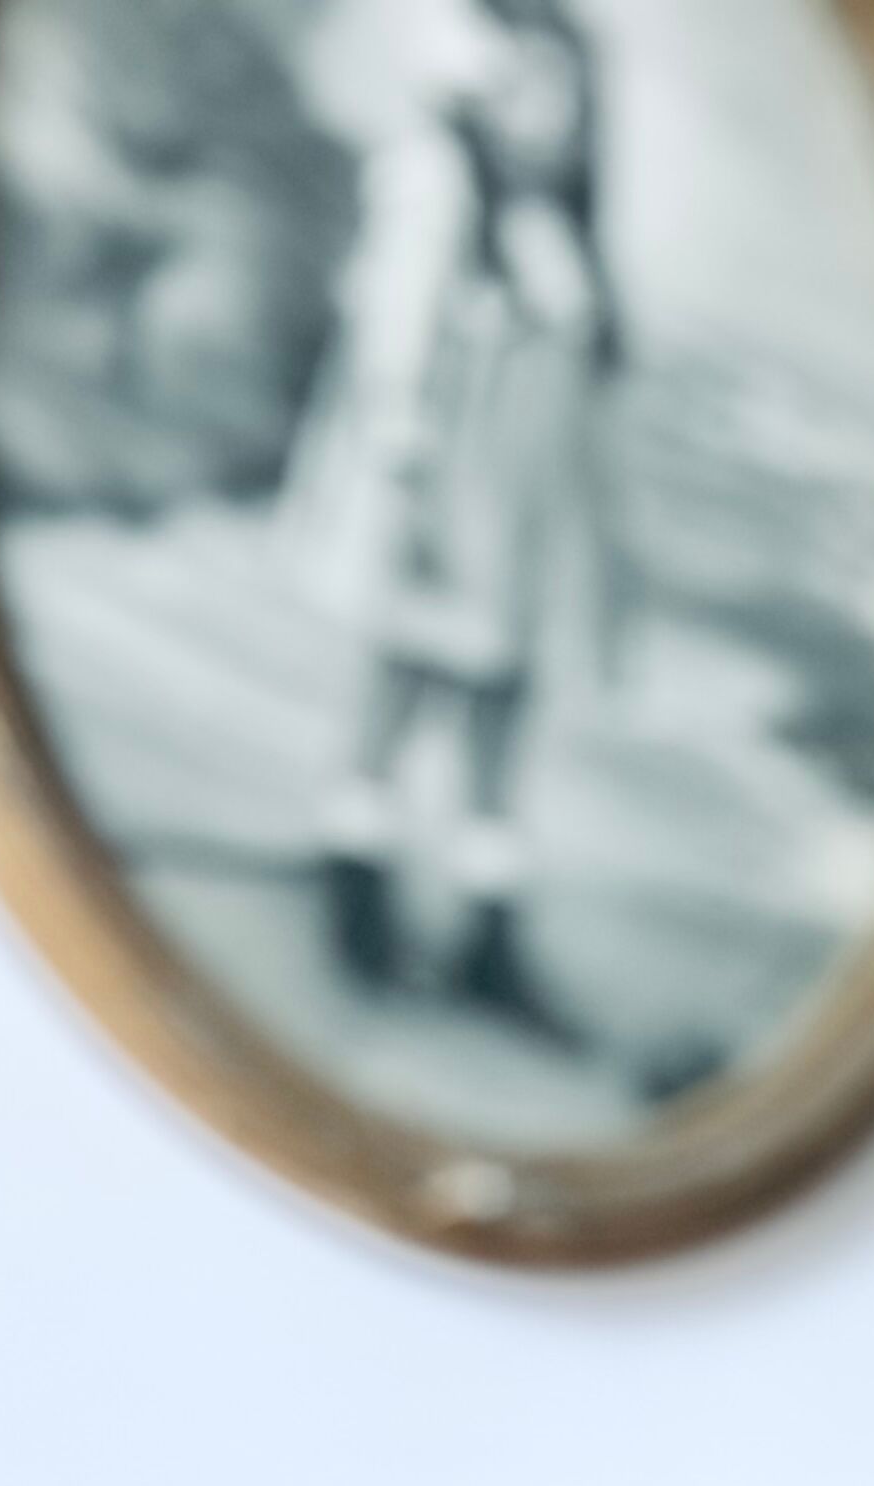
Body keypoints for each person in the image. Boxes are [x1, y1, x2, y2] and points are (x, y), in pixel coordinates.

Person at [303, 0, 622, 1032]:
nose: (546, 116)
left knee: (501, 701)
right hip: (454, 491)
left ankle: (488, 919)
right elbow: (394, 325)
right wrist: (403, 449)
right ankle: (355, 879)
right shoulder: (442, 186)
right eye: (525, 89)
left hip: (527, 516)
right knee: (404, 675)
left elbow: (574, 394)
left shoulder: (559, 231)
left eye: (565, 96)